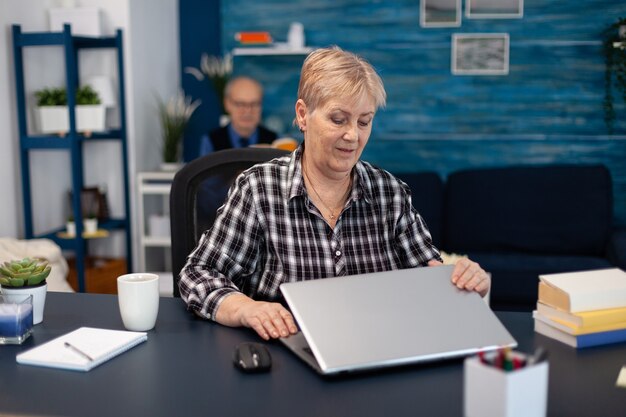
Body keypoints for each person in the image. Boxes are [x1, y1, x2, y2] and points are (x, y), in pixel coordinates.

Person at [180, 47, 490, 341]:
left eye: (364, 121)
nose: (353, 135)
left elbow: (430, 279)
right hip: (287, 351)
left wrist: (460, 281)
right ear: (303, 115)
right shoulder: (259, 189)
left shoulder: (390, 194)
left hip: (375, 348)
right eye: (338, 119)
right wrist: (247, 308)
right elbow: (197, 275)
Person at [199, 76, 278, 155]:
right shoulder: (211, 141)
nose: (247, 111)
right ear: (227, 104)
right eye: (240, 104)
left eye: (254, 104)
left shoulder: (276, 142)